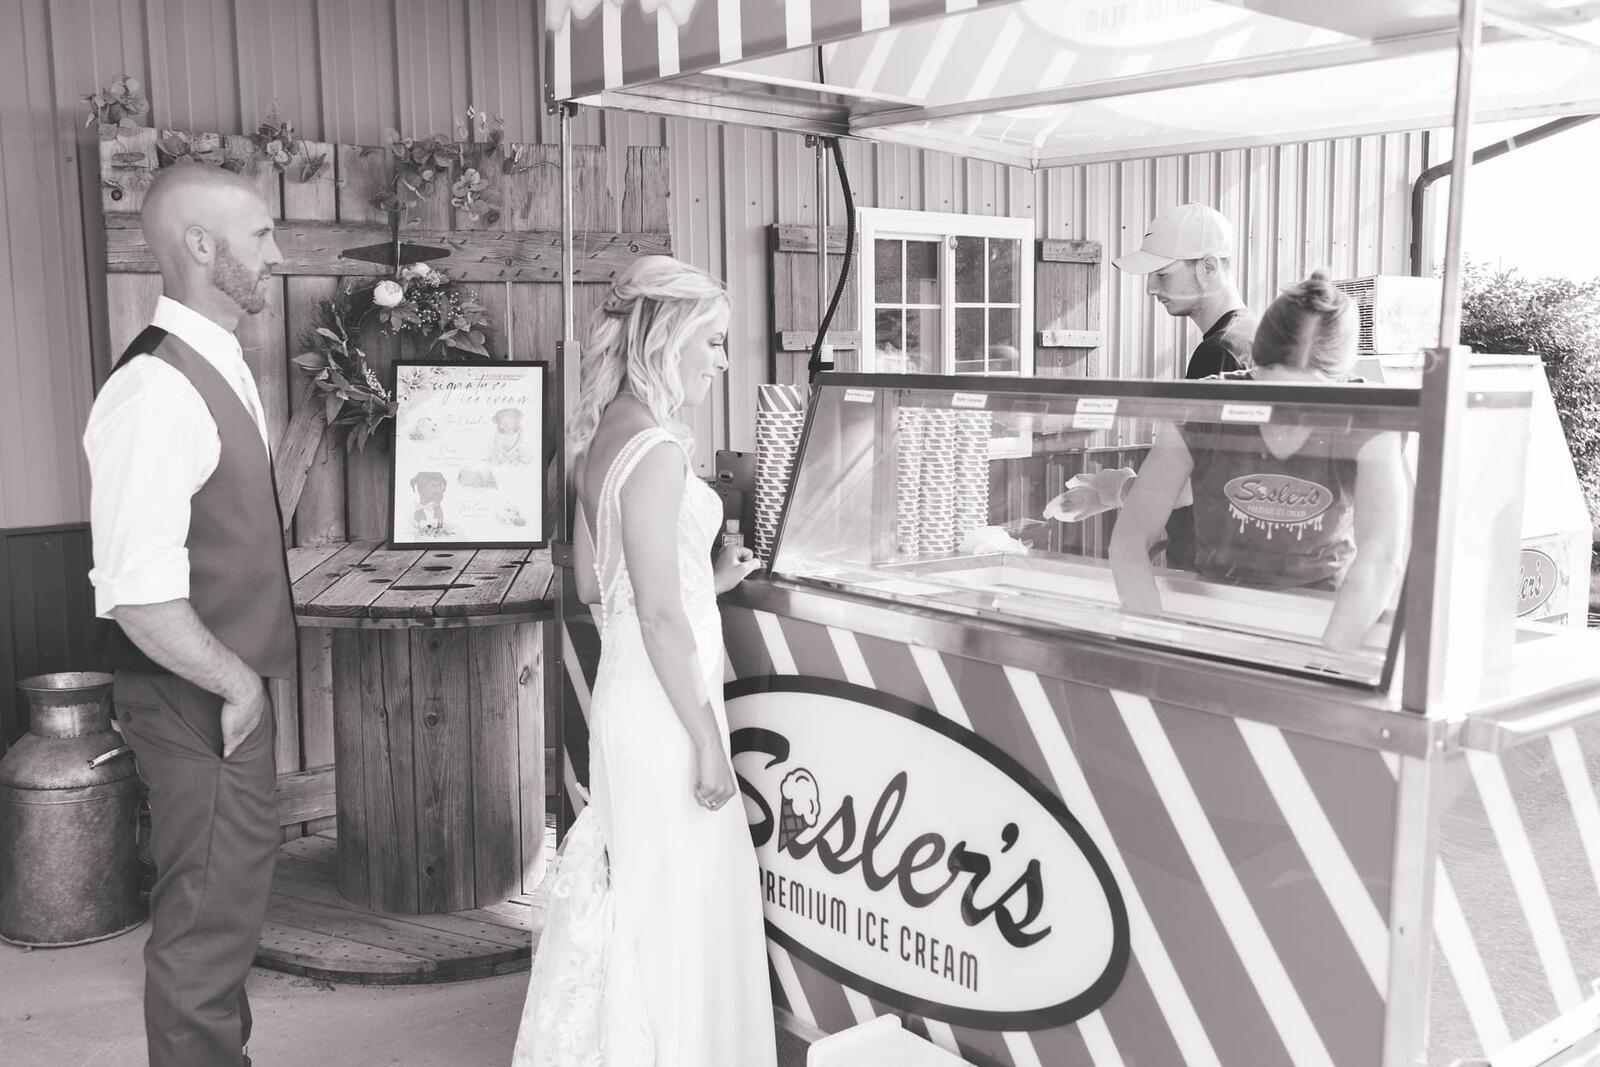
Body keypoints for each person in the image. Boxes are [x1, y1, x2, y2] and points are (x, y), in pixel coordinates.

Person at [512, 256, 774, 1067]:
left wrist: (706, 577)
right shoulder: (657, 448)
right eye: (715, 340)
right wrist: (707, 740)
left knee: (646, 893)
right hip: (669, 708)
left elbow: (597, 582)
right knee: (684, 900)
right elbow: (659, 615)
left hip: (626, 699)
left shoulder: (600, 435)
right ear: (668, 337)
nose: (722, 359)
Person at [82, 163, 289, 1066]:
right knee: (202, 933)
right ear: (202, 246)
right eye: (262, 234)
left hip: (213, 692)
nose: (277, 254)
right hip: (191, 695)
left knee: (225, 914)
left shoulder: (218, 361)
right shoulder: (156, 389)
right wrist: (237, 684)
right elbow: (136, 591)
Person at [1108, 271, 1410, 651]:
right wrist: (1152, 635)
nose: (1289, 413)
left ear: (1341, 381)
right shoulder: (1203, 408)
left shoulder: (1368, 423)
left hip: (1326, 619)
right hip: (1214, 614)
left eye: (1311, 400)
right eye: (1271, 394)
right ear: (1254, 364)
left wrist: (1325, 660)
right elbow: (1131, 538)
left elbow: (1381, 560)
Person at [1113, 200, 1257, 379]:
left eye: (1163, 275)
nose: (1151, 289)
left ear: (1209, 267)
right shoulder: (1254, 336)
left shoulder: (1219, 353)